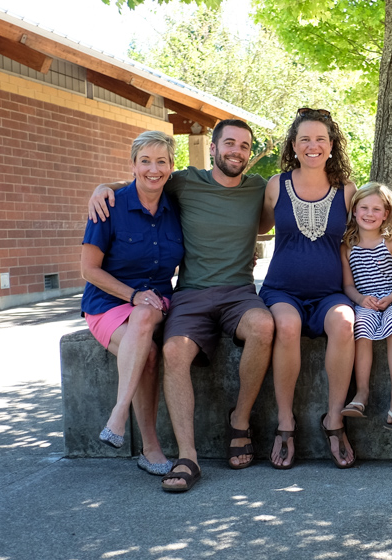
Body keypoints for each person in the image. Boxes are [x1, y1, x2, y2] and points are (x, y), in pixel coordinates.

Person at [88, 119, 275, 492]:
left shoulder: (258, 188)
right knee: (173, 349)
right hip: (190, 293)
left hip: (239, 291)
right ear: (214, 148)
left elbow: (289, 212)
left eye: (244, 145)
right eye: (229, 143)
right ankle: (188, 456)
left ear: (249, 153)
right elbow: (141, 183)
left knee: (264, 326)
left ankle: (239, 421)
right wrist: (101, 188)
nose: (236, 151)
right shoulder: (185, 181)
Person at [258, 107, 363, 469]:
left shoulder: (347, 191)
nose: (312, 145)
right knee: (286, 326)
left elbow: (367, 229)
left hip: (329, 294)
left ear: (332, 145)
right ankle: (285, 421)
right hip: (281, 291)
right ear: (293, 144)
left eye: (320, 139)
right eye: (304, 139)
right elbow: (252, 226)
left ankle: (334, 418)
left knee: (346, 323)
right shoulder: (276, 185)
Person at [80, 131, 182, 476]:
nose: (154, 169)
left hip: (155, 300)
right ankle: (148, 445)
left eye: (162, 161)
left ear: (171, 167)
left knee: (146, 313)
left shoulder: (176, 206)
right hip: (108, 304)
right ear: (133, 164)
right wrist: (133, 295)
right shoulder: (109, 205)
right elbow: (88, 269)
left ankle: (118, 416)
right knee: (149, 351)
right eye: (145, 161)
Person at [340, 183, 392, 431]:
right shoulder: (347, 246)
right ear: (354, 211)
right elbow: (348, 286)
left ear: (386, 213)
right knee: (361, 324)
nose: (369, 214)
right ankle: (361, 393)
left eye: (376, 209)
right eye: (364, 208)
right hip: (366, 300)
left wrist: (391, 298)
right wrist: (361, 299)